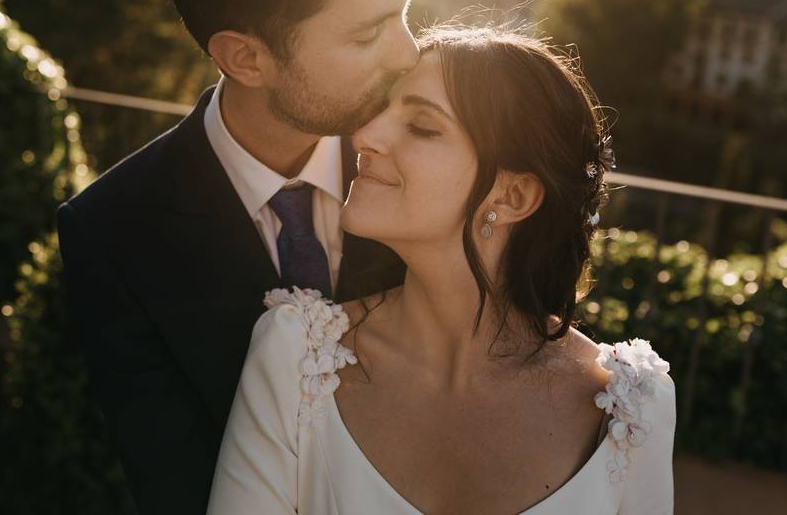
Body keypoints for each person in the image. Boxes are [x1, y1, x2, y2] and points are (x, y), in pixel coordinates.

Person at [55, 0, 435, 512]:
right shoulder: (111, 232)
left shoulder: (432, 161)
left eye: (404, 14)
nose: (409, 52)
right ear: (246, 58)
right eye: (368, 34)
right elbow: (174, 478)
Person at [207, 26, 677, 514]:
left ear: (513, 196)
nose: (364, 136)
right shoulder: (294, 353)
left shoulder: (630, 407)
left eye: (422, 127)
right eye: (381, 111)